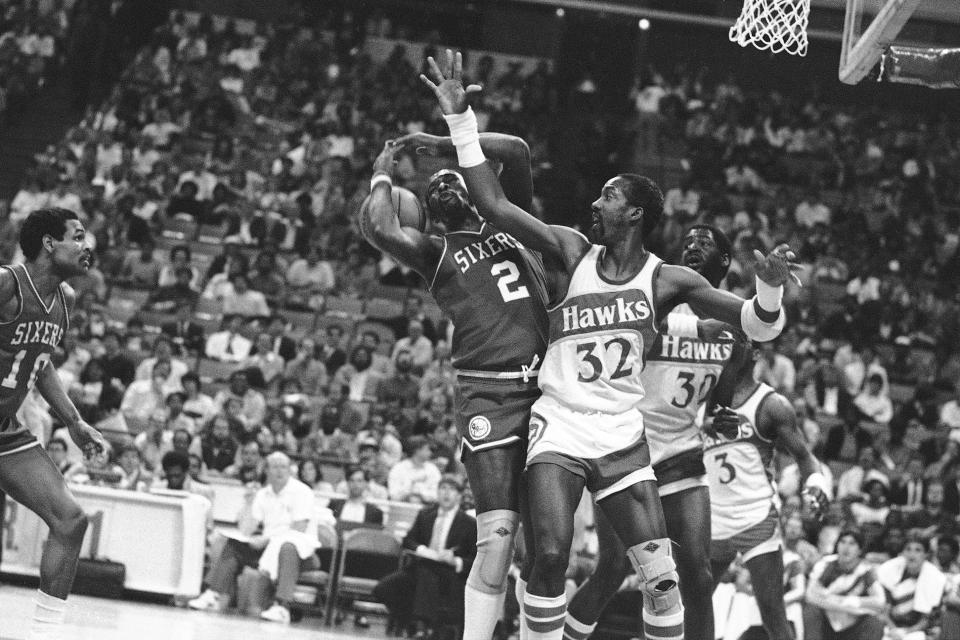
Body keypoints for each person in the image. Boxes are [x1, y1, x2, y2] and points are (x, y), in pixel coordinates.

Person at [422, 49, 796, 640]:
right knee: (548, 558)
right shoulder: (573, 251)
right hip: (561, 421)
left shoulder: (670, 280)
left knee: (663, 576)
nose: (595, 203)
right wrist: (460, 122)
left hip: (622, 432)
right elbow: (493, 205)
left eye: (607, 197)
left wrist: (769, 290)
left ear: (635, 213)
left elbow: (754, 325)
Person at [361, 88, 547, 640]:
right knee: (496, 535)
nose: (442, 185)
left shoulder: (513, 220)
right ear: (428, 211)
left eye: (451, 180)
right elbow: (379, 228)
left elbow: (513, 148)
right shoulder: (434, 252)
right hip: (488, 393)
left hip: (548, 393)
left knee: (545, 547)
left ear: (472, 191)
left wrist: (440, 142)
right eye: (432, 187)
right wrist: (381, 177)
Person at [563, 224, 740, 640]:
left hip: (681, 452)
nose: (692, 245)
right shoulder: (661, 298)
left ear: (726, 261)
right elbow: (630, 331)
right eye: (689, 239)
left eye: (705, 242)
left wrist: (721, 420)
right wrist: (696, 331)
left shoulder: (738, 335)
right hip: (627, 445)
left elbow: (716, 409)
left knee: (697, 571)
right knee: (613, 568)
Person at [0, 208, 107, 639]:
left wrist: (75, 422)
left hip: (5, 428)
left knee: (70, 519)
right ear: (49, 243)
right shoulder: (7, 282)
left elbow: (40, 364)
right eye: (77, 237)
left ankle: (45, 632)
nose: (87, 247)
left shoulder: (66, 299)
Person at [704, 339, 831, 639]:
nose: (729, 345)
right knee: (689, 602)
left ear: (756, 354)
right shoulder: (702, 396)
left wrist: (816, 481)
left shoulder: (772, 404)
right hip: (714, 517)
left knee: (772, 613)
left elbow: (804, 457)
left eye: (739, 341)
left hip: (755, 516)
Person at [188, 452, 319, 624]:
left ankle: (282, 607)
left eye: (283, 467)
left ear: (290, 470)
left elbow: (299, 528)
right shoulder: (263, 494)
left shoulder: (302, 492)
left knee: (287, 546)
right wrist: (249, 502)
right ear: (266, 470)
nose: (280, 471)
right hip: (269, 547)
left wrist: (267, 539)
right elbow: (246, 530)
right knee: (234, 544)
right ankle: (213, 593)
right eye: (275, 466)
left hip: (300, 551)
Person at [373, 475, 477, 638]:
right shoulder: (425, 515)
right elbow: (408, 540)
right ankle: (413, 624)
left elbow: (475, 559)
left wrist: (455, 560)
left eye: (451, 490)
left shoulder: (469, 523)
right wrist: (422, 550)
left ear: (459, 495)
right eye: (442, 488)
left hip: (449, 574)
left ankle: (421, 627)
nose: (446, 494)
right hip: (421, 567)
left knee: (427, 575)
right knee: (383, 589)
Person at [802, 530, 886, 640]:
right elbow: (810, 595)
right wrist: (845, 605)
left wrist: (844, 601)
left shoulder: (865, 570)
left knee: (875, 623)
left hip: (852, 624)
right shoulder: (825, 564)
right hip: (827, 621)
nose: (846, 547)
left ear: (860, 549)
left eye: (852, 544)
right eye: (843, 542)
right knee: (811, 611)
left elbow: (880, 602)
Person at [875, 534, 946, 640]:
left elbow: (926, 619)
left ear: (926, 554)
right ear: (902, 552)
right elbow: (884, 611)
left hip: (919, 630)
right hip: (890, 627)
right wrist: (894, 630)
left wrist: (906, 632)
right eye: (908, 549)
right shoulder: (890, 572)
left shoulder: (935, 578)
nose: (912, 554)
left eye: (918, 550)